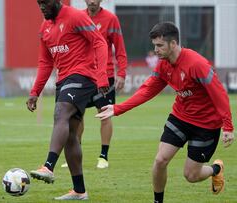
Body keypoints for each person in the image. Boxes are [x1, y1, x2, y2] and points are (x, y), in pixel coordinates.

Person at [96, 22, 234, 203]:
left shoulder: (197, 64)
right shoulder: (163, 65)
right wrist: (117, 108)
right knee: (160, 160)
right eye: (154, 45)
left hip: (206, 126)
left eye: (160, 45)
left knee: (191, 175)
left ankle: (215, 169)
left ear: (173, 44)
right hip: (180, 117)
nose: (156, 50)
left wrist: (228, 126)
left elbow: (219, 93)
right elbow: (146, 91)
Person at [26, 0, 109, 200]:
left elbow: (99, 42)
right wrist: (35, 91)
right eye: (39, 3)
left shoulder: (75, 16)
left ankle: (48, 166)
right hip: (63, 80)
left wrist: (102, 75)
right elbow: (46, 62)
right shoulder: (45, 27)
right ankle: (80, 190)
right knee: (71, 135)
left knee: (60, 113)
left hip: (83, 76)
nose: (42, 7)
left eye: (45, 3)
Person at [61, 0, 128, 169]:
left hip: (104, 76)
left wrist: (121, 73)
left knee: (105, 114)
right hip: (83, 75)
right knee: (77, 115)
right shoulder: (78, 17)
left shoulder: (111, 19)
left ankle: (103, 156)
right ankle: (75, 154)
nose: (92, 1)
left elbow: (120, 48)